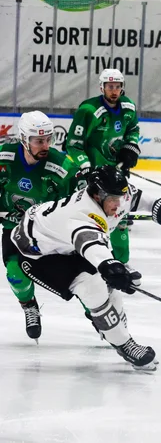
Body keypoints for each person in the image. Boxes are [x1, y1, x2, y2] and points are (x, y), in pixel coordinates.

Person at [9, 166, 161, 370]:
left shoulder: (111, 195)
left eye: (119, 197)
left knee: (111, 291)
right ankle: (124, 344)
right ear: (96, 195)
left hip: (64, 243)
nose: (118, 204)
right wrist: (111, 267)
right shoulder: (81, 216)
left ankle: (115, 332)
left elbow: (135, 198)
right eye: (112, 199)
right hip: (37, 255)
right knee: (94, 289)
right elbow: (91, 245)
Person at [0, 111, 78, 341]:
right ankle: (29, 307)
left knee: (78, 275)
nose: (45, 145)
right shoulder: (4, 157)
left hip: (50, 232)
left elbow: (78, 202)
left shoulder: (63, 166)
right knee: (15, 273)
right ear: (24, 139)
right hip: (14, 230)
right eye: (39, 140)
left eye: (48, 139)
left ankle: (96, 316)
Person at [65, 68, 142, 282]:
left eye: (117, 86)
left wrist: (130, 149)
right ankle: (82, 261)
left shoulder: (128, 106)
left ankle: (122, 263)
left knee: (120, 220)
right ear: (102, 87)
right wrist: (86, 167)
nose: (114, 91)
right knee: (88, 220)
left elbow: (133, 130)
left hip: (115, 174)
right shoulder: (88, 110)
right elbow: (73, 145)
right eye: (110, 87)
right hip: (92, 176)